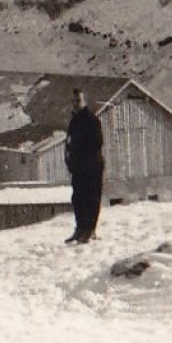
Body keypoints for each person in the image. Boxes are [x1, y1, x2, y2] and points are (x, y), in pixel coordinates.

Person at [65, 88, 105, 244]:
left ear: (85, 102)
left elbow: (96, 143)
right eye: (73, 101)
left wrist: (79, 154)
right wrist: (71, 162)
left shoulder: (92, 120)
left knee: (91, 199)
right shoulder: (74, 121)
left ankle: (89, 231)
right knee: (78, 199)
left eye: (78, 101)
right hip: (78, 168)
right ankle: (80, 229)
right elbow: (69, 143)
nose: (75, 104)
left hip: (91, 167)